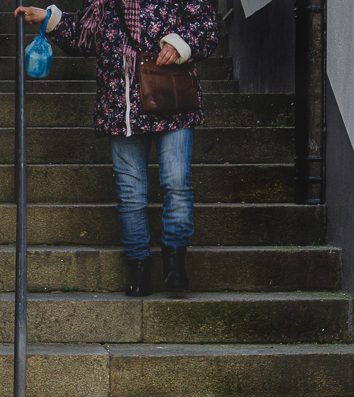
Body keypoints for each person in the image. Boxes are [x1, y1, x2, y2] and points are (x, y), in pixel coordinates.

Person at [15, 0, 220, 296]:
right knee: (130, 192)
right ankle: (140, 263)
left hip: (171, 99)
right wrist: (48, 18)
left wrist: (179, 44)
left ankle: (175, 262)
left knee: (176, 181)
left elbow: (207, 25)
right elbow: (81, 36)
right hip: (120, 105)